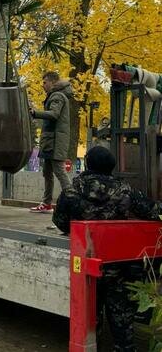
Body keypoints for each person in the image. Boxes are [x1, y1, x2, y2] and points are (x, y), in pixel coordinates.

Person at [53, 145, 162, 352]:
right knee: (123, 328)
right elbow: (153, 211)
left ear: (88, 163)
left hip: (86, 272)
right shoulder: (125, 190)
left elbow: (60, 221)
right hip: (119, 270)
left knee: (89, 324)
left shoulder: (71, 191)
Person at [29, 71, 73, 213]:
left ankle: (73, 202)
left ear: (53, 82)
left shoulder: (57, 96)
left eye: (45, 82)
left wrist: (35, 113)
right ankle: (47, 203)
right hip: (50, 142)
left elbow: (54, 114)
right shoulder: (56, 95)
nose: (43, 85)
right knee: (47, 172)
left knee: (59, 171)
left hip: (55, 142)